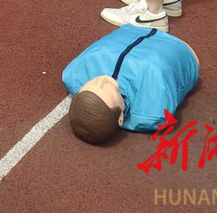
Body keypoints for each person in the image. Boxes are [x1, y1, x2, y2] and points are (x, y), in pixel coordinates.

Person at [63, 26, 199, 144]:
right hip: (178, 45)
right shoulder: (154, 108)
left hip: (130, 28)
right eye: (107, 91)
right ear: (120, 118)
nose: (102, 81)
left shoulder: (73, 74)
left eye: (92, 83)